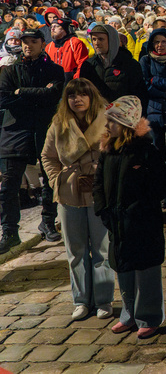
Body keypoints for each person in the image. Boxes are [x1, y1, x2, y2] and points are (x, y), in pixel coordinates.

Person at [93, 96, 166, 340]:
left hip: (143, 222)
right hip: (116, 221)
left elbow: (158, 188)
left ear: (125, 124)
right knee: (122, 267)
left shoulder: (146, 151)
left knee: (146, 269)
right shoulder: (107, 151)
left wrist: (137, 210)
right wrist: (103, 210)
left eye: (112, 121)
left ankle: (149, 316)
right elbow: (99, 185)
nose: (107, 126)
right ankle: (128, 314)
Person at [41, 78, 113, 321]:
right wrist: (57, 180)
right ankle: (81, 300)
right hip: (69, 194)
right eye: (72, 96)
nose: (77, 99)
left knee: (102, 250)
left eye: (82, 95)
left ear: (91, 97)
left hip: (98, 191)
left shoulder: (106, 121)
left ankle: (104, 299)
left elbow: (116, 153)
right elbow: (48, 156)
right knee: (76, 251)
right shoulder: (59, 124)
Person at [0, 29, 65, 252]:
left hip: (43, 128)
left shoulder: (54, 70)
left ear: (42, 43)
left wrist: (21, 92)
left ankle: (47, 221)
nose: (27, 45)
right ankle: (9, 231)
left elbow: (53, 95)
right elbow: (4, 99)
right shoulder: (9, 71)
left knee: (50, 178)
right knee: (9, 183)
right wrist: (36, 94)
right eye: (24, 41)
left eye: (33, 41)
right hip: (15, 130)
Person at [139, 28, 166, 208]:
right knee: (158, 154)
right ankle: (162, 191)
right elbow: (144, 84)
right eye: (156, 42)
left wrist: (154, 80)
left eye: (163, 41)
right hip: (154, 113)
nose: (160, 45)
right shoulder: (145, 60)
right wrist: (162, 88)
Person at [79, 25, 147, 109]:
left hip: (121, 117)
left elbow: (139, 96)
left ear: (112, 40)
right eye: (94, 39)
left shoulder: (130, 65)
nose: (96, 43)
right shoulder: (88, 65)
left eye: (101, 39)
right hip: (95, 116)